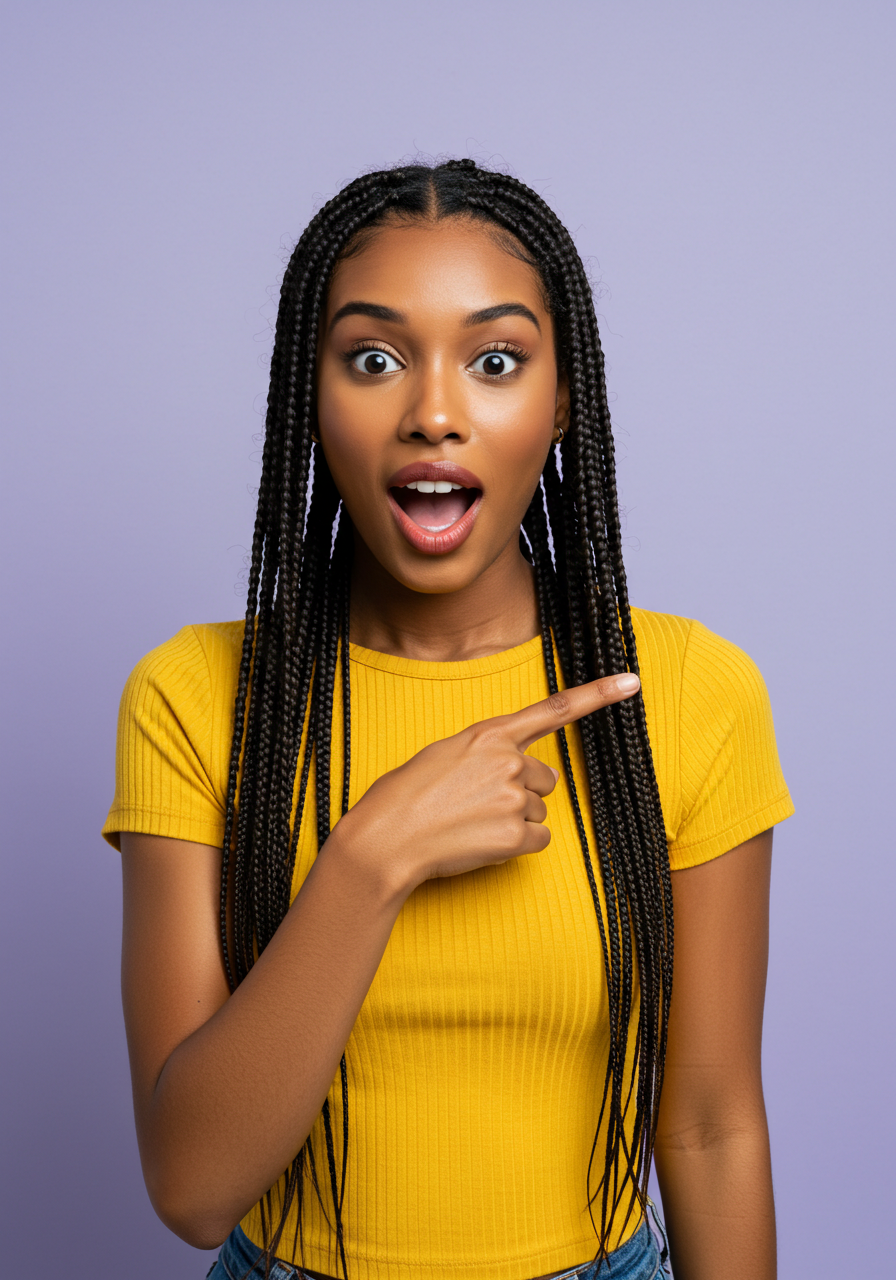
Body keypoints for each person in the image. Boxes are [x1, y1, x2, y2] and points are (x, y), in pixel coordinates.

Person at [103, 159, 793, 1280]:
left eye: (494, 360)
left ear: (561, 397)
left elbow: (711, 1127)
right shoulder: (193, 693)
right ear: (307, 394)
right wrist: (374, 854)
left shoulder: (689, 690)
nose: (431, 411)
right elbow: (190, 1185)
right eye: (372, 359)